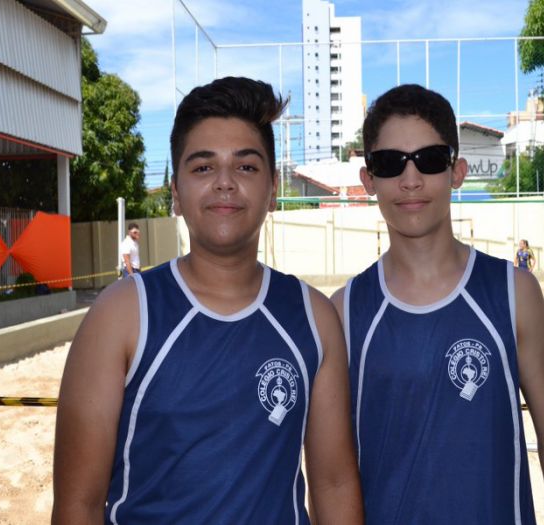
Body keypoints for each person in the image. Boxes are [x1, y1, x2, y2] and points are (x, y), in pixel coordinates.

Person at [52, 77, 363, 524]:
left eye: (246, 166)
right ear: (176, 193)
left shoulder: (314, 318)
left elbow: (333, 483)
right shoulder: (121, 314)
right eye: (202, 167)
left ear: (272, 189)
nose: (224, 183)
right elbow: (77, 505)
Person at [331, 84, 544, 524]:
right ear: (368, 179)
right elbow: (333, 476)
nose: (410, 179)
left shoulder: (513, 293)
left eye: (429, 159)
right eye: (391, 163)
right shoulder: (343, 314)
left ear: (457, 171)